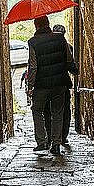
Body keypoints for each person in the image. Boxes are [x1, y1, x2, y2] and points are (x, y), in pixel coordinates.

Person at [27, 15, 73, 155]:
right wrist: (73, 70)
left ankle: (42, 142)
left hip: (42, 84)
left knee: (37, 110)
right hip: (60, 83)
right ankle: (56, 144)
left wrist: (30, 86)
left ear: (36, 26)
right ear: (48, 24)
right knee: (57, 113)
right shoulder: (60, 38)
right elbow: (69, 59)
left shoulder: (33, 42)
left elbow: (33, 67)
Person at [52, 24, 78, 144]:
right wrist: (75, 70)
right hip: (62, 83)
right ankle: (62, 137)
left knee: (49, 112)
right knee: (64, 111)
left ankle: (50, 138)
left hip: (46, 85)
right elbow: (71, 65)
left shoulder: (43, 46)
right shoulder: (68, 47)